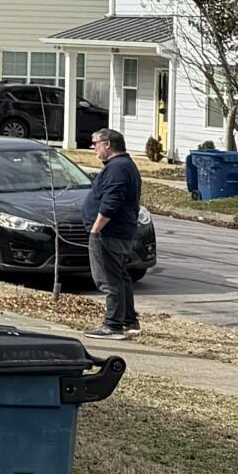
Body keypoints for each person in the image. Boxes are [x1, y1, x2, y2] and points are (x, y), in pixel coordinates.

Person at [84, 127, 144, 335]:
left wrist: (95, 229)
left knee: (109, 279)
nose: (94, 149)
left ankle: (113, 325)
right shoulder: (124, 165)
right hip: (121, 231)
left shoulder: (117, 168)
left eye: (96, 144)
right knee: (120, 276)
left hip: (109, 233)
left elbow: (112, 202)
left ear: (107, 144)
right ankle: (128, 320)